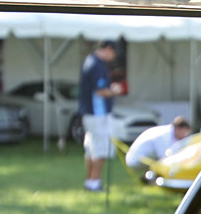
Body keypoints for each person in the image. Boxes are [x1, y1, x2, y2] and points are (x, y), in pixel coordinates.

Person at [78, 40, 123, 191]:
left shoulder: (89, 60)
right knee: (100, 148)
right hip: (99, 114)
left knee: (91, 148)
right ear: (109, 49)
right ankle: (95, 182)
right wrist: (115, 91)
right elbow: (100, 91)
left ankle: (89, 181)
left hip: (89, 113)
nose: (113, 57)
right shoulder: (97, 65)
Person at [125, 116, 192, 175]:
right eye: (184, 132)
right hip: (135, 160)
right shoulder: (164, 135)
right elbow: (164, 157)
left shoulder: (167, 131)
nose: (184, 136)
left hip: (136, 157)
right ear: (178, 128)